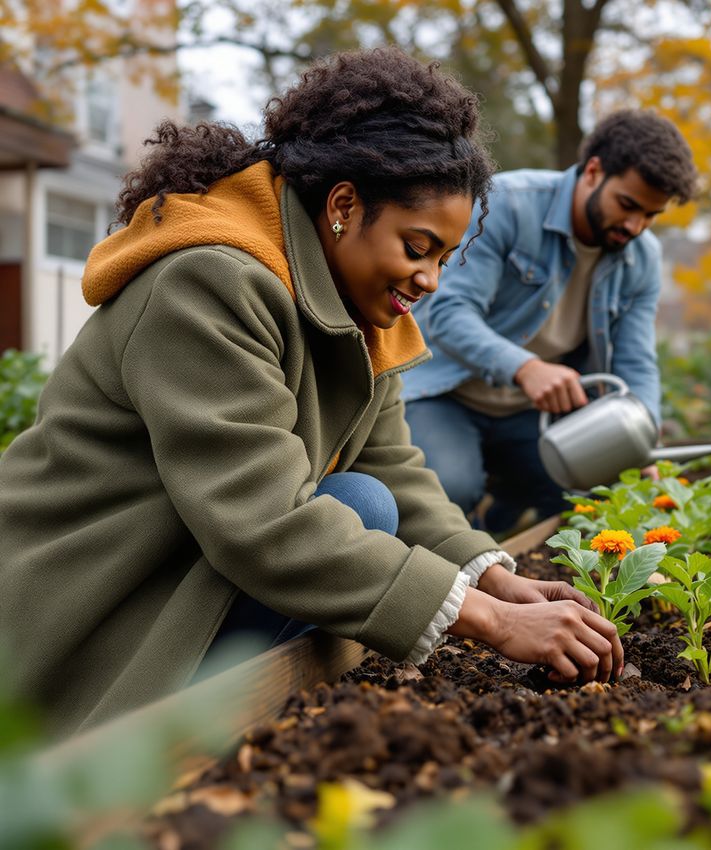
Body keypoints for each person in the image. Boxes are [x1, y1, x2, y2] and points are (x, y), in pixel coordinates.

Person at [0, 48, 623, 738]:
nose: (430, 280)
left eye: (444, 258)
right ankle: (156, 743)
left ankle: (229, 713)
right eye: (417, 248)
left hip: (181, 567)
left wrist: (496, 580)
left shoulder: (357, 301)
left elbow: (391, 465)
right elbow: (262, 520)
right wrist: (494, 623)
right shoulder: (208, 283)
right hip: (90, 591)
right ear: (344, 205)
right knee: (356, 507)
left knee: (367, 497)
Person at [400, 110, 699, 532]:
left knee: (591, 492)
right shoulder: (505, 203)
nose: (636, 226)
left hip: (532, 413)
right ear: (593, 171)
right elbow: (447, 313)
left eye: (651, 215)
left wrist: (641, 440)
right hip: (446, 392)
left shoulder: (642, 257)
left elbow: (635, 362)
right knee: (447, 488)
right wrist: (525, 368)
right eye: (628, 205)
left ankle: (505, 507)